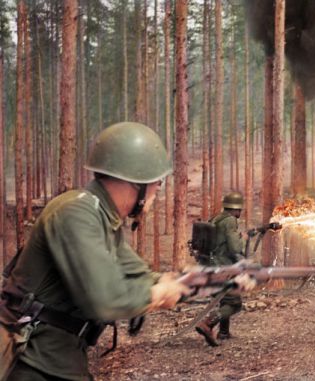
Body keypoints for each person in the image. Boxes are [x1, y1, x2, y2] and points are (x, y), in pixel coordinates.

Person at [1, 122, 226, 381]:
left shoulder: (103, 218)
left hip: (59, 360)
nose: (156, 193)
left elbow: (139, 278)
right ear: (136, 184)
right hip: (33, 362)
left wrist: (213, 281)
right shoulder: (75, 213)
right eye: (156, 184)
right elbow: (107, 299)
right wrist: (160, 293)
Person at [195, 191, 246, 346]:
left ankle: (223, 333)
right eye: (240, 209)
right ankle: (208, 324)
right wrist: (242, 238)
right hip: (220, 268)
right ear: (237, 208)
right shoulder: (230, 221)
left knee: (225, 299)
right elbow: (234, 248)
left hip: (209, 266)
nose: (240, 212)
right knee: (234, 303)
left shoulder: (217, 218)